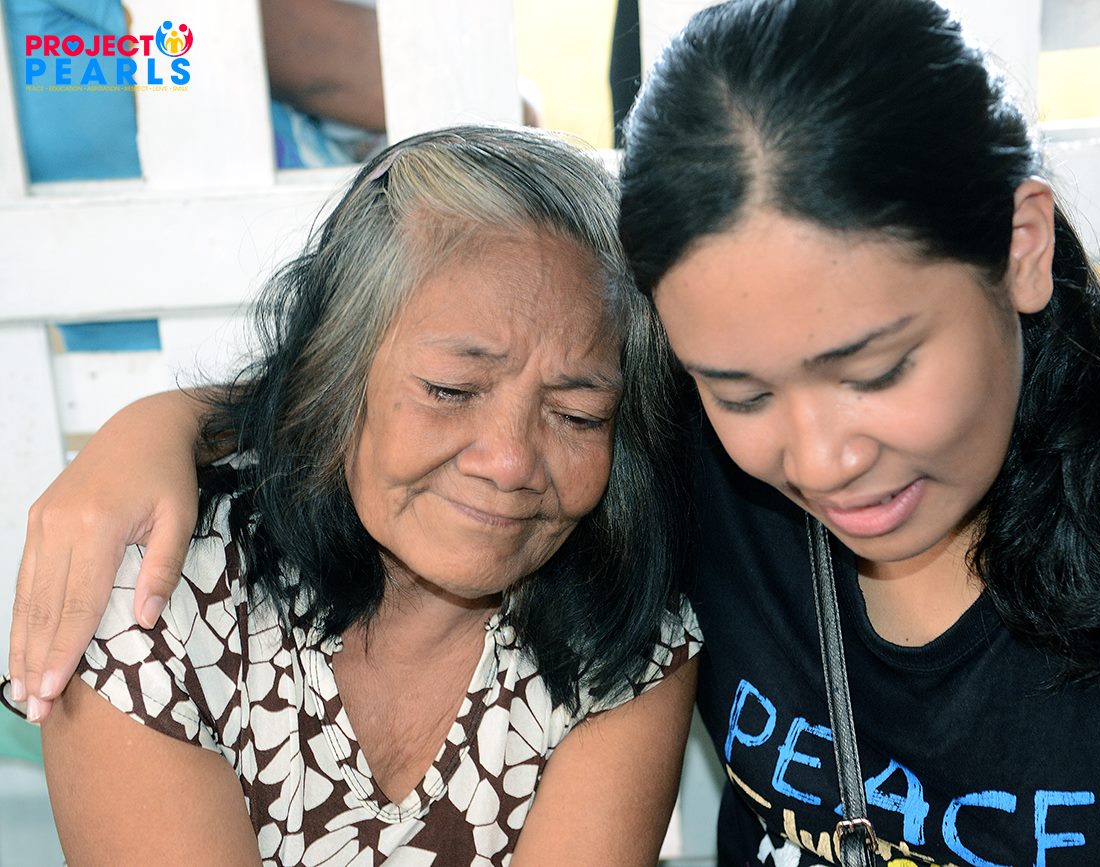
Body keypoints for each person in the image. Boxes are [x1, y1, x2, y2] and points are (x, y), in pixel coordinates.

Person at [9, 0, 1100, 864]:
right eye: (738, 390)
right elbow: (445, 390)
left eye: (876, 368)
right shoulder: (678, 459)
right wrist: (158, 427)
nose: (820, 460)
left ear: (1019, 247)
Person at [1, 126, 700, 866]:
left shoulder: (625, 631)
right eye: (450, 390)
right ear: (338, 371)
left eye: (577, 415)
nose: (510, 462)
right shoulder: (157, 594)